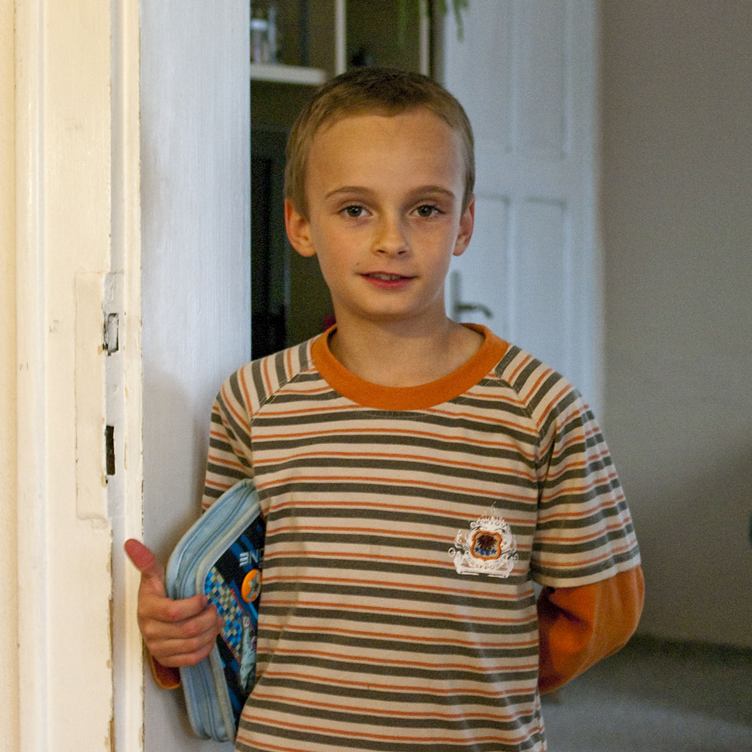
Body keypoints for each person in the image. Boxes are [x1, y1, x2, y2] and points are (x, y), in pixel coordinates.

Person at [126, 66, 644, 751]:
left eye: (425, 209)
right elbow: (231, 594)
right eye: (355, 210)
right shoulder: (253, 400)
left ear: (464, 224)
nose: (391, 240)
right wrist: (179, 634)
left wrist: (491, 671)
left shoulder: (542, 408)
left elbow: (603, 607)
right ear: (300, 225)